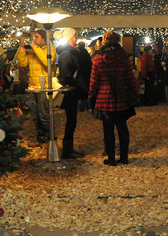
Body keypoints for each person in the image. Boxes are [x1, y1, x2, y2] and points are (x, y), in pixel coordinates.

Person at [89, 30, 137, 166]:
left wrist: (91, 96)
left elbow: (94, 80)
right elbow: (129, 77)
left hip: (104, 98)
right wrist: (133, 92)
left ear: (104, 40)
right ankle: (124, 157)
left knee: (108, 130)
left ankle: (110, 157)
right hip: (121, 98)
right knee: (122, 128)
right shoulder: (123, 56)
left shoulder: (98, 57)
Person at [16, 29, 56, 144]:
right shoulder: (33, 51)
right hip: (32, 86)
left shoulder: (50, 49)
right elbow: (23, 63)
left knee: (43, 115)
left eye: (37, 37)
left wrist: (35, 47)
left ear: (43, 38)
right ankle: (41, 137)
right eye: (34, 37)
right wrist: (21, 50)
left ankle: (51, 137)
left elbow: (47, 61)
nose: (34, 39)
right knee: (35, 116)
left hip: (44, 87)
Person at [55, 28, 87, 159]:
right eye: (75, 36)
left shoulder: (69, 53)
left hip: (72, 90)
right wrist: (75, 84)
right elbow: (65, 74)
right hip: (70, 91)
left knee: (72, 120)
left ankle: (69, 149)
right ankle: (67, 150)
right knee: (71, 120)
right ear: (70, 37)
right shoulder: (66, 54)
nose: (76, 38)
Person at [76, 41, 92, 112]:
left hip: (79, 74)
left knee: (80, 90)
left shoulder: (77, 52)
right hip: (86, 74)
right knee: (86, 90)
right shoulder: (86, 53)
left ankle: (81, 106)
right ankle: (86, 106)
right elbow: (89, 64)